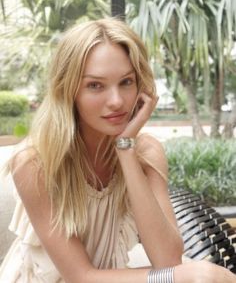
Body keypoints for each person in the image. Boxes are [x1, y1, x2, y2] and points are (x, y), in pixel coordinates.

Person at [0, 18, 235, 283]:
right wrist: (182, 277)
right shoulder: (35, 163)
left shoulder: (145, 152)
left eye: (126, 82)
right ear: (68, 90)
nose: (116, 101)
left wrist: (126, 149)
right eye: (95, 85)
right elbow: (81, 277)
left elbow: (167, 259)